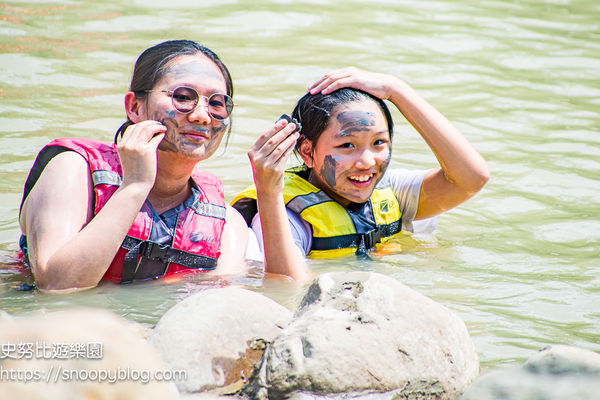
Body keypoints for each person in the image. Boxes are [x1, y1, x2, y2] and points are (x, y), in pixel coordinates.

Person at [18, 40, 252, 293]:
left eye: (217, 103)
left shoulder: (228, 222)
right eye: (183, 97)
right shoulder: (72, 170)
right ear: (134, 107)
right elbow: (55, 285)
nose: (201, 115)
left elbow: (224, 303)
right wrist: (135, 185)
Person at [232, 67, 489, 279]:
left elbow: (471, 179)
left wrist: (396, 90)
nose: (366, 162)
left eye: (379, 143)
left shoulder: (393, 192)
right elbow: (286, 288)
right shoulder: (288, 216)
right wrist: (268, 191)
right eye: (347, 145)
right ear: (308, 152)